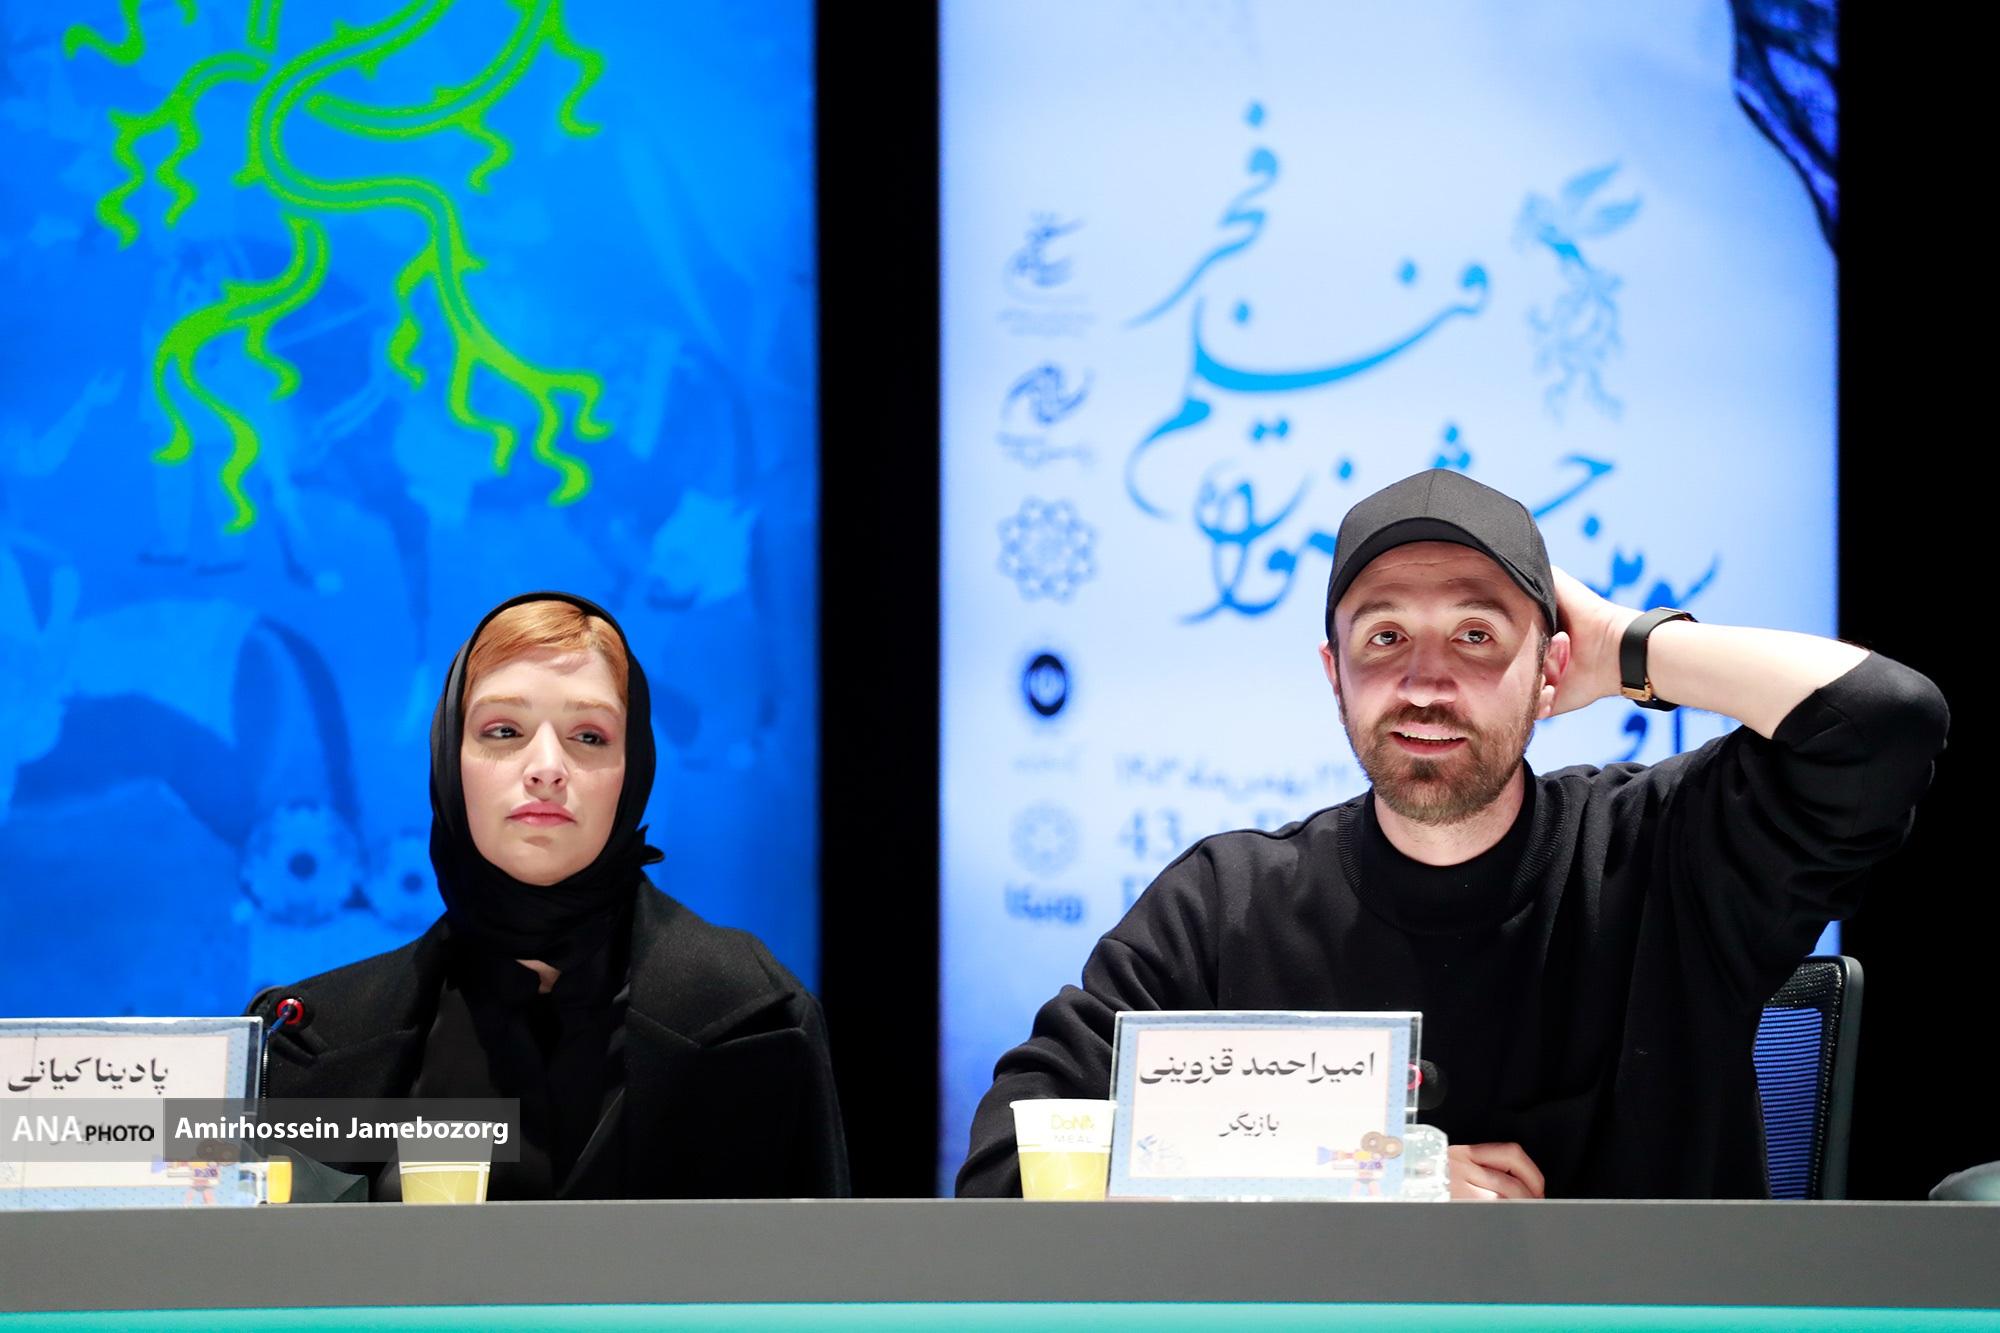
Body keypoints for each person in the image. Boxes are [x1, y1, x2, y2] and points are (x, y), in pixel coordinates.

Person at [956, 469, 1949, 1200]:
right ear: (1334, 673)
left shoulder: (1664, 851)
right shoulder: (1226, 906)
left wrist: (1629, 646)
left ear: (1549, 670)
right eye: (1384, 636)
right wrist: (1367, 1181)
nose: (1424, 682)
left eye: (1476, 635)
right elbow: (1010, 1167)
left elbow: (1883, 722)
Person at [250, 592, 847, 1200]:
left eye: (589, 736)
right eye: (503, 730)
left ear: (634, 769)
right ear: (449, 760)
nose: (546, 767)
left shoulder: (758, 1018)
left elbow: (818, 1260)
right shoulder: (307, 1039)